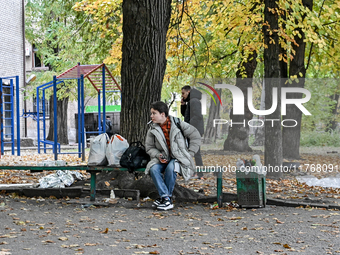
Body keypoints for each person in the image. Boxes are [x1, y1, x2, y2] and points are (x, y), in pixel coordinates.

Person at [145, 101, 201, 211]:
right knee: (153, 169)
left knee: (171, 168)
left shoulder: (178, 123)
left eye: (154, 113)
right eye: (151, 113)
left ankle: (165, 199)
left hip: (178, 158)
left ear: (162, 114)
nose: (151, 116)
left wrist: (190, 153)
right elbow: (149, 147)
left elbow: (195, 135)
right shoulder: (152, 129)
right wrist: (158, 155)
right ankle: (166, 198)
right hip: (161, 159)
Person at [181, 85, 204, 178]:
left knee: (196, 152)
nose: (182, 95)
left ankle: (200, 173)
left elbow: (197, 116)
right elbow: (186, 115)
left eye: (183, 93)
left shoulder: (194, 101)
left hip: (195, 131)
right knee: (192, 151)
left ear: (188, 92)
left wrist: (189, 128)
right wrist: (182, 105)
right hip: (193, 130)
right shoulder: (191, 101)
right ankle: (196, 172)